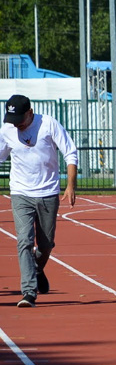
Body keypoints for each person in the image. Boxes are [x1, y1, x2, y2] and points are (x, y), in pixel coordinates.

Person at [0, 94, 77, 307]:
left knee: (45, 244)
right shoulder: (7, 130)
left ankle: (37, 267)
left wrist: (71, 185)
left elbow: (70, 153)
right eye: (12, 121)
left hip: (48, 192)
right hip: (20, 192)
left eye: (20, 120)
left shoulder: (48, 124)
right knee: (24, 240)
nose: (17, 126)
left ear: (30, 113)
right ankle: (28, 291)